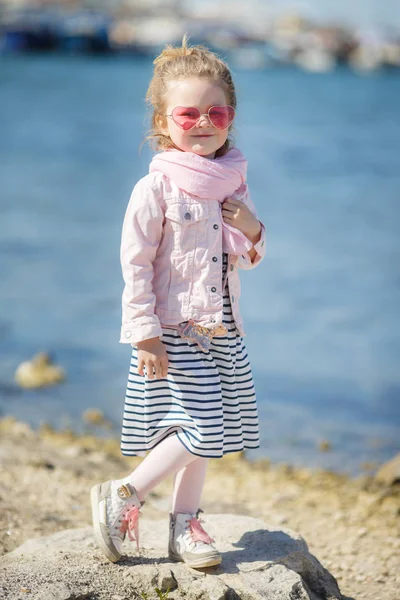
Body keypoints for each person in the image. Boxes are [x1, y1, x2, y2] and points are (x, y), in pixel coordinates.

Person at [91, 35, 266, 569]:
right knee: (202, 426)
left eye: (217, 111)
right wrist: (141, 329)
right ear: (164, 121)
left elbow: (248, 258)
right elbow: (135, 262)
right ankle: (126, 493)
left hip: (223, 327)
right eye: (188, 113)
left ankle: (184, 525)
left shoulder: (231, 182)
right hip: (172, 329)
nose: (203, 122)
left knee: (206, 431)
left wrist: (253, 228)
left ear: (230, 117)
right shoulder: (155, 188)